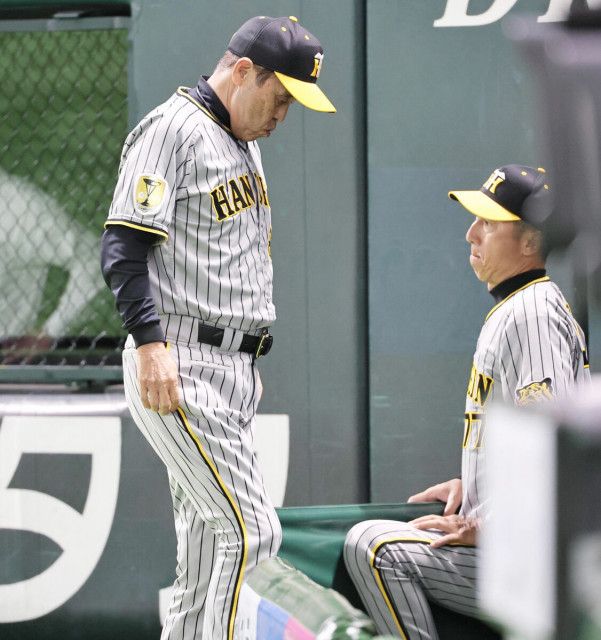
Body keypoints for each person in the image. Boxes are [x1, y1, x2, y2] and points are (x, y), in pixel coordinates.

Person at [100, 16, 335, 640]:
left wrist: (234, 358)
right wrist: (151, 346)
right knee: (251, 534)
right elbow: (123, 248)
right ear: (243, 71)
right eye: (278, 97)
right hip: (179, 358)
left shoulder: (242, 141)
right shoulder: (172, 129)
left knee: (205, 557)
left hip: (230, 366)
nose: (282, 114)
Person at [343, 165, 590, 639]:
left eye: (489, 223)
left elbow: (555, 447)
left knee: (374, 547)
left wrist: (491, 522)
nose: (471, 233)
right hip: (521, 548)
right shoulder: (521, 305)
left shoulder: (533, 313)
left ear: (531, 242)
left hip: (535, 561)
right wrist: (475, 486)